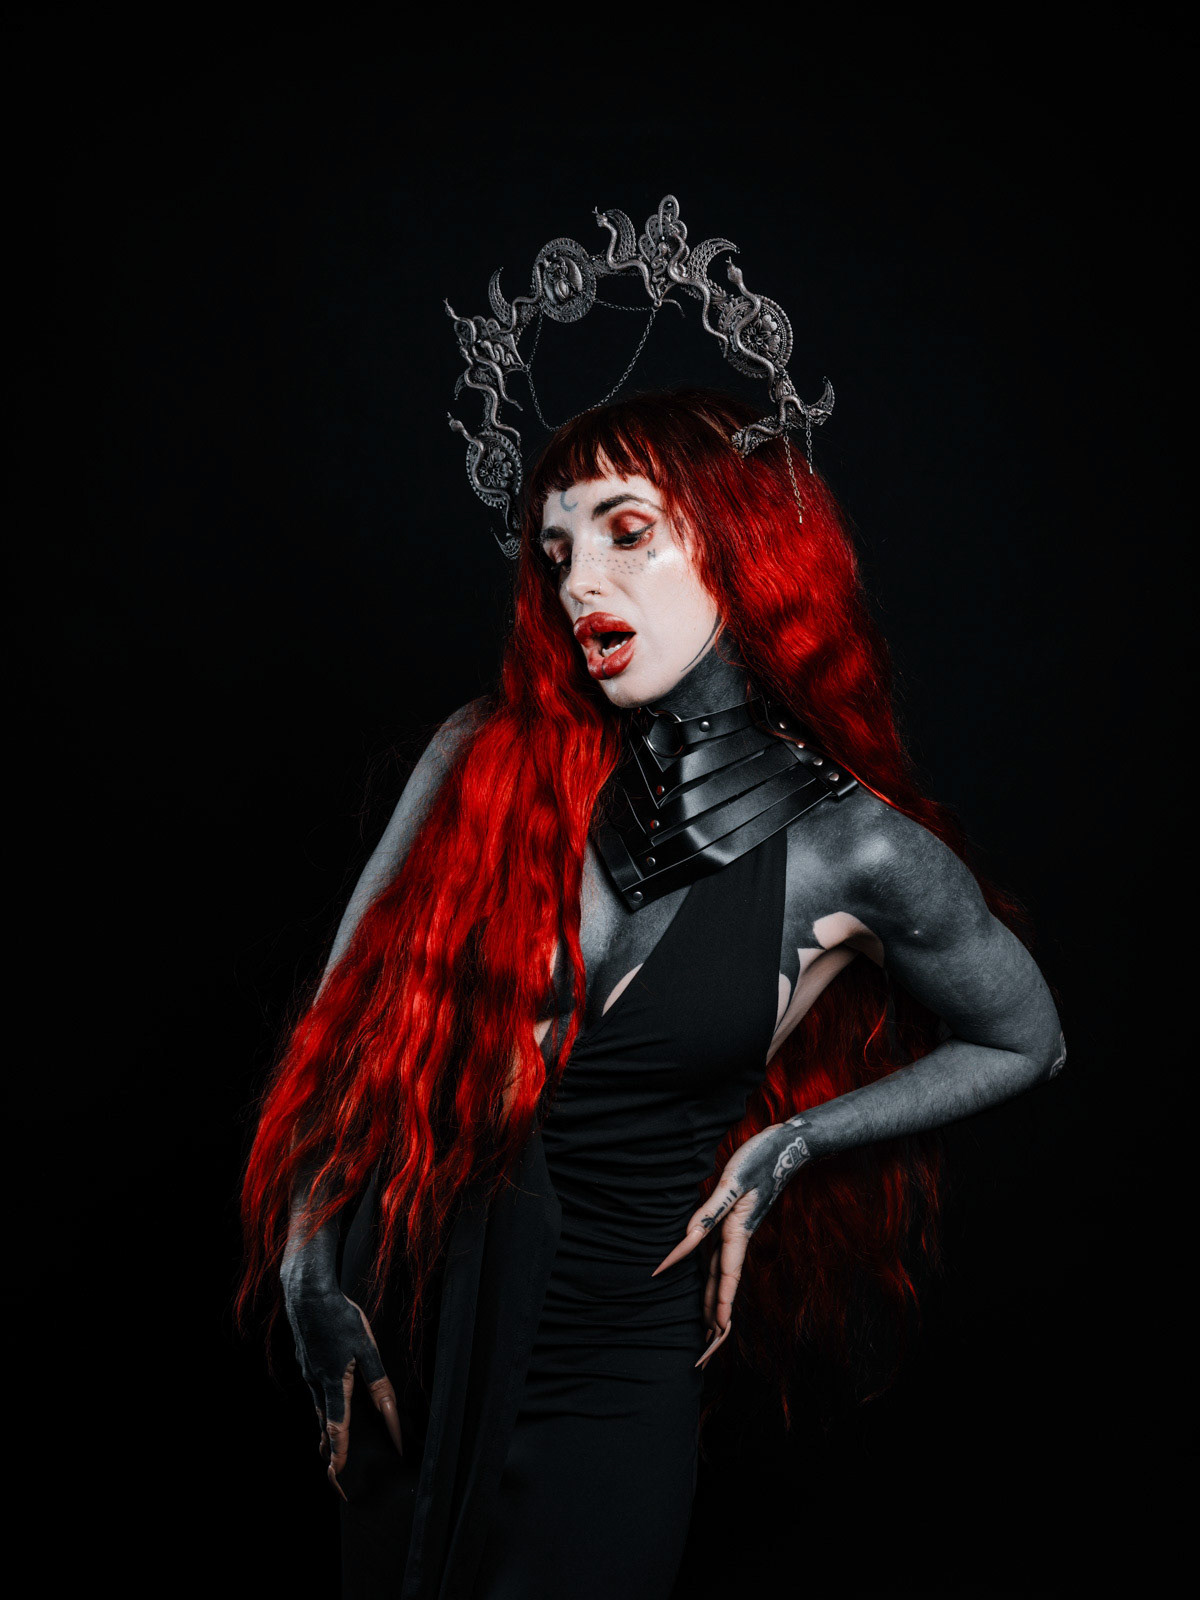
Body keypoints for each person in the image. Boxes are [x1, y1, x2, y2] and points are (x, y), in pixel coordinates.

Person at [239, 386, 1065, 1600]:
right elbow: (338, 1039)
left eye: (627, 533)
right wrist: (311, 1274)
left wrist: (793, 1139)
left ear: (740, 543)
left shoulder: (856, 850)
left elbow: (1026, 1038)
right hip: (403, 1346)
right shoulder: (483, 755)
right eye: (557, 551)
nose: (580, 583)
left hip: (608, 1377)